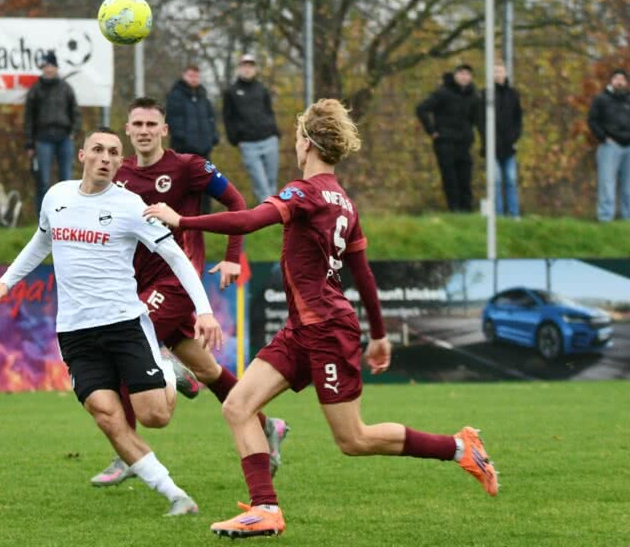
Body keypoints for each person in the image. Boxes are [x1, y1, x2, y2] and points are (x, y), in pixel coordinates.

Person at [145, 99, 499, 539]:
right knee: (238, 406)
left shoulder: (304, 192)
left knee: (354, 440)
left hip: (327, 329)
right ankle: (265, 509)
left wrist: (183, 219)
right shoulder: (345, 201)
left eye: (296, 139)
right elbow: (363, 273)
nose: (294, 147)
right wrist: (380, 333)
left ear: (308, 143)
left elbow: (252, 219)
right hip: (304, 328)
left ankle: (461, 447)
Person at [0, 127, 222, 517]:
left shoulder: (130, 205)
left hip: (124, 324)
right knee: (107, 415)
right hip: (75, 332)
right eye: (99, 150)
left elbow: (175, 256)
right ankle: (176, 495)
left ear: (120, 163)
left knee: (155, 416)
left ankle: (167, 369)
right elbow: (42, 240)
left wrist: (204, 310)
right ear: (83, 155)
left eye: (113, 153)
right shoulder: (56, 196)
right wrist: (6, 282)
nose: (106, 158)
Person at [88, 97, 289, 488]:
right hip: (137, 284)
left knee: (122, 347)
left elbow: (236, 202)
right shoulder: (121, 172)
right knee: (209, 370)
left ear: (164, 130)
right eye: (137, 124)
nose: (144, 131)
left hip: (177, 282)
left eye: (151, 124)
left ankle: (128, 452)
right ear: (127, 130)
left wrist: (233, 257)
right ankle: (269, 426)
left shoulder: (188, 167)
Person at [24, 50, 82, 213]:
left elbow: (76, 112)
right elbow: (29, 118)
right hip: (42, 139)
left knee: (66, 181)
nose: (48, 69)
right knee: (43, 180)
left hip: (64, 138)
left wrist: (73, 132)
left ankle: (66, 215)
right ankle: (43, 217)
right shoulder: (35, 90)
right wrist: (29, 143)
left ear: (56, 67)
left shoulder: (66, 88)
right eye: (45, 66)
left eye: (51, 66)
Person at [417, 64, 479, 212]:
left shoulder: (474, 96)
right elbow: (421, 109)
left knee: (465, 177)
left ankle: (467, 210)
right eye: (462, 74)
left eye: (467, 74)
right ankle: (454, 209)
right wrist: (432, 131)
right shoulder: (443, 93)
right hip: (445, 142)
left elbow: (478, 118)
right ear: (456, 75)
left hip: (464, 143)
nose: (464, 77)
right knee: (450, 178)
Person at [223, 54, 281, 203]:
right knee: (261, 185)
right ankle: (267, 217)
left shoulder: (262, 89)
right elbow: (228, 118)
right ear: (239, 68)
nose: (247, 69)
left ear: (255, 69)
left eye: (250, 66)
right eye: (244, 66)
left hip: (269, 140)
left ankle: (273, 218)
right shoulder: (231, 91)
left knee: (271, 183)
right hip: (248, 144)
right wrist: (235, 139)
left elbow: (269, 111)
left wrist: (275, 132)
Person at [167, 64, 221, 213]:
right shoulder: (175, 96)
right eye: (191, 75)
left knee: (206, 181)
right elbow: (172, 121)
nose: (194, 79)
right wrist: (185, 140)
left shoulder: (204, 97)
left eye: (196, 76)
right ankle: (185, 214)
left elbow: (211, 119)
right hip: (184, 150)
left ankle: (205, 214)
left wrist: (213, 138)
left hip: (205, 150)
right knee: (185, 183)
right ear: (184, 75)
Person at [476, 64, 523, 218]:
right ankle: (498, 214)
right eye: (495, 71)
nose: (498, 74)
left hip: (509, 146)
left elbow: (518, 119)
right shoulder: (486, 94)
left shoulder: (513, 95)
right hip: (492, 147)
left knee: (511, 180)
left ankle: (514, 214)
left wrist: (514, 138)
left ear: (506, 73)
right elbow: (481, 121)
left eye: (500, 71)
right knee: (495, 181)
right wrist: (487, 141)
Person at [587, 68, 630, 221]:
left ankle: (627, 220)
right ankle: (606, 218)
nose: (620, 82)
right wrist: (604, 137)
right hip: (610, 147)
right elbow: (592, 120)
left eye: (622, 79)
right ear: (611, 81)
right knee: (607, 185)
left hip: (628, 148)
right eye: (617, 78)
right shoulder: (601, 99)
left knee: (628, 187)